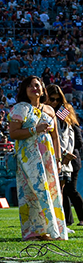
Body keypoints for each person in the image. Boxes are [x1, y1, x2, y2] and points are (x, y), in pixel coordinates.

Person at [8, 75, 68, 241]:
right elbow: (13, 133)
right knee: (33, 192)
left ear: (43, 89)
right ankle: (33, 232)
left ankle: (51, 229)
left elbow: (55, 137)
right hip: (28, 156)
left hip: (47, 156)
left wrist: (58, 160)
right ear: (25, 90)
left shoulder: (49, 110)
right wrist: (35, 129)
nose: (34, 88)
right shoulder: (20, 108)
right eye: (30, 86)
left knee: (52, 191)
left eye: (37, 85)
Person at [48, 84, 82, 227]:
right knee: (65, 191)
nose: (55, 102)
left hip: (70, 158)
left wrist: (68, 154)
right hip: (60, 156)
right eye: (52, 99)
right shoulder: (51, 111)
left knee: (69, 190)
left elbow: (67, 136)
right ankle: (66, 220)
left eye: (57, 99)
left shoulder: (62, 113)